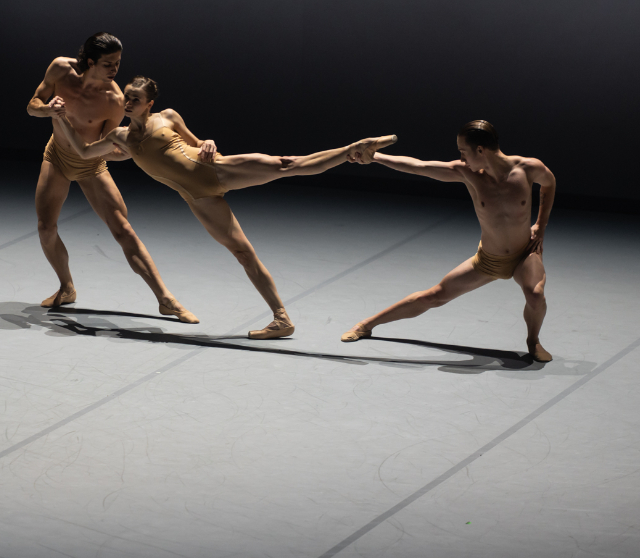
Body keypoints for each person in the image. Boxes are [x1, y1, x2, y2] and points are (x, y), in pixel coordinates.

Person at [50, 75, 395, 339]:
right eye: (126, 97)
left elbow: (199, 143)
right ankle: (282, 319)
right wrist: (62, 117)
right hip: (198, 198)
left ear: (149, 103)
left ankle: (353, 149)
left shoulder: (167, 117)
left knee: (286, 164)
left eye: (135, 99)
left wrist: (210, 142)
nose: (127, 103)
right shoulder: (121, 138)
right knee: (243, 253)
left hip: (216, 170)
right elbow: (84, 152)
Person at [340, 120, 555, 362]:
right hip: (489, 260)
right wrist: (376, 157)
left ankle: (533, 341)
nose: (461, 158)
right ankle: (366, 325)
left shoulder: (528, 168)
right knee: (433, 296)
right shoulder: (467, 173)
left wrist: (541, 225)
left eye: (463, 152)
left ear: (480, 150)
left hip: (525, 254)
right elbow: (419, 166)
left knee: (535, 294)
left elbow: (549, 183)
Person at [27, 33, 197, 324]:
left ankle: (165, 299)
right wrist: (47, 110)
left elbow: (105, 147)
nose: (115, 69)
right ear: (90, 62)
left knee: (123, 230)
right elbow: (32, 106)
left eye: (118, 62)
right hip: (56, 157)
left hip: (91, 165)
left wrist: (129, 153)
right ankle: (66, 288)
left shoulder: (114, 99)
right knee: (45, 228)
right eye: (108, 63)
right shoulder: (60, 69)